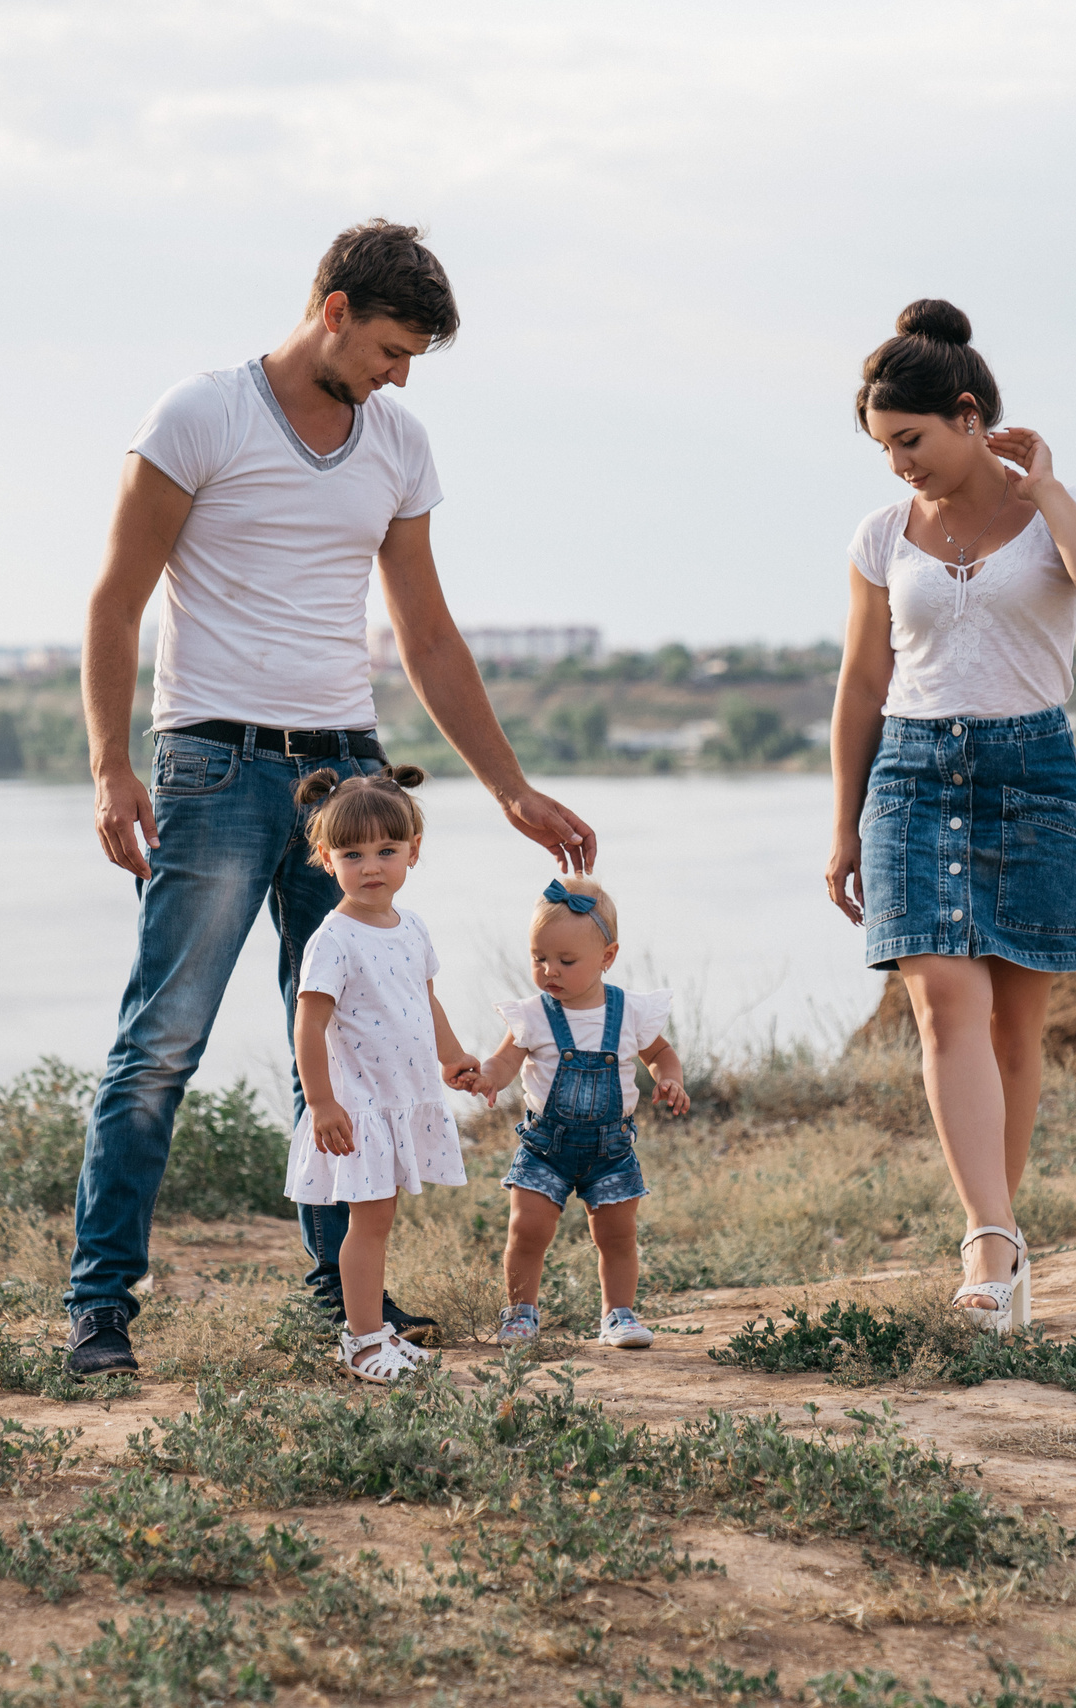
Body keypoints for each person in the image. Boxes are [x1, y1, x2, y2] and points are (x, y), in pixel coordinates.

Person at [67, 219, 597, 1378]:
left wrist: (507, 786)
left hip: (345, 775)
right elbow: (116, 600)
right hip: (209, 761)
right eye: (392, 349)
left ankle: (339, 1298)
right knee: (162, 1040)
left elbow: (428, 634)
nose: (399, 377)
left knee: (357, 1040)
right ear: (336, 309)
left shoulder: (398, 442)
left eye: (415, 360)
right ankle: (99, 1304)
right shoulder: (197, 414)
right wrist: (111, 766)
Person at [823, 299, 1076, 1335]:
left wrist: (1045, 487)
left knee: (1016, 1026)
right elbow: (861, 679)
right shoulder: (880, 535)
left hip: (1030, 773)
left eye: (908, 440)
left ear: (967, 416)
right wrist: (842, 823)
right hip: (911, 777)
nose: (896, 464)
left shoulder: (1063, 505)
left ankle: (998, 1256)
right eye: (881, 447)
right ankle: (988, 1241)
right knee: (941, 1006)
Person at [284, 767, 477, 1381]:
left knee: (381, 1221)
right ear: (325, 858)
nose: (372, 866)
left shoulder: (411, 927)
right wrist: (321, 1103)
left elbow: (426, 1000)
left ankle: (374, 1331)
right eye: (353, 853)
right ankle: (363, 1340)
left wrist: (452, 1057)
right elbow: (308, 1026)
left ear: (412, 853)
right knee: (366, 1227)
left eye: (387, 851)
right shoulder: (332, 940)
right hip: (360, 1105)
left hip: (404, 1098)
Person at [470, 877, 688, 1350]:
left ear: (607, 957)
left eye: (566, 961)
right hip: (546, 1147)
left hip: (610, 1149)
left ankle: (619, 1315)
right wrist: (488, 1075)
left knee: (617, 1235)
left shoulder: (630, 1012)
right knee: (527, 1229)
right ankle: (520, 1314)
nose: (550, 970)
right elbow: (506, 1060)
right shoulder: (534, 1015)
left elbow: (660, 1054)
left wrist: (670, 1078)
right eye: (538, 958)